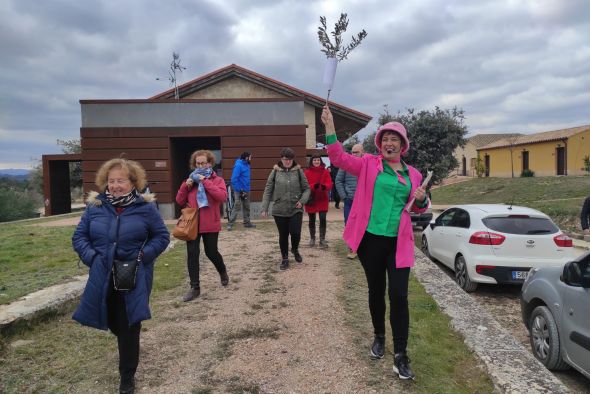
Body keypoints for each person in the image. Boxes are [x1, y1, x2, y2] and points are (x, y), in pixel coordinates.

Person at [321, 106, 429, 381]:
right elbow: (338, 158)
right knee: (376, 291)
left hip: (399, 243)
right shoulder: (368, 164)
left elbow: (419, 205)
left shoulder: (413, 174)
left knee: (400, 296)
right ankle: (379, 336)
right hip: (371, 240)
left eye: (395, 139)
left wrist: (420, 200)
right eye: (385, 139)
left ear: (402, 145)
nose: (389, 143)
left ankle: (401, 355)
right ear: (379, 144)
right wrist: (330, 128)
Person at [72, 158, 170, 393]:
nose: (115, 185)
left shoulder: (145, 207)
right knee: (115, 320)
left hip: (134, 274)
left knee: (129, 323)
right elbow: (79, 238)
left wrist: (143, 256)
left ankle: (127, 376)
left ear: (133, 182)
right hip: (103, 273)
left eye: (121, 180)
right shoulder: (94, 207)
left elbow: (161, 237)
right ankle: (128, 344)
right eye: (111, 180)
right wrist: (93, 258)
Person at [176, 150, 229, 302]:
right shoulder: (190, 180)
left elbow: (222, 197)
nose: (200, 166)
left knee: (211, 252)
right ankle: (195, 287)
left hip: (210, 223)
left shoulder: (216, 180)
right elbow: (179, 200)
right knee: (192, 254)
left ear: (209, 163)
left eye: (203, 163)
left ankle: (222, 271)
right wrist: (185, 186)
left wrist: (205, 181)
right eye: (197, 163)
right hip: (192, 224)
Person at [261, 147, 311, 270]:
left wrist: (302, 201)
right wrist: (264, 207)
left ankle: (294, 249)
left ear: (292, 159)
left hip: (296, 208)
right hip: (279, 209)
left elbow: (307, 189)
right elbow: (268, 190)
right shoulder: (275, 172)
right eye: (284, 159)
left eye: (289, 159)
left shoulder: (298, 171)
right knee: (283, 235)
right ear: (281, 159)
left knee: (296, 233)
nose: (287, 161)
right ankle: (285, 258)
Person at [335, 143, 364, 258]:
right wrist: (344, 196)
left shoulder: (367, 164)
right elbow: (338, 181)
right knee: (349, 224)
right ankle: (352, 249)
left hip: (363, 201)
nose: (354, 154)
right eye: (353, 152)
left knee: (363, 224)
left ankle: (361, 248)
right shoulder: (346, 164)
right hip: (349, 200)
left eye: (357, 152)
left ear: (363, 151)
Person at [304, 154, 332, 248]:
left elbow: (330, 183)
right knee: (311, 219)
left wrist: (325, 187)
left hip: (322, 198)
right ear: (312, 161)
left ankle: (322, 239)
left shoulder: (325, 171)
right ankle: (312, 238)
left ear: (320, 161)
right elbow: (304, 185)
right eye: (315, 160)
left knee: (323, 219)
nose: (316, 162)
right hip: (312, 198)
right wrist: (313, 186)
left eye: (318, 160)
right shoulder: (307, 172)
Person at [227, 151, 256, 231]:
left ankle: (247, 223)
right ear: (246, 157)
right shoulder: (238, 165)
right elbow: (233, 179)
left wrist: (246, 189)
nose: (251, 159)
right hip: (238, 190)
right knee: (237, 206)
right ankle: (230, 224)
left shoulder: (247, 165)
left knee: (247, 207)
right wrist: (240, 190)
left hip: (246, 190)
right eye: (250, 157)